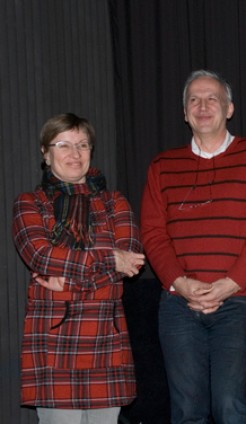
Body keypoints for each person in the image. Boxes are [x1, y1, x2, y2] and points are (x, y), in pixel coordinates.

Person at [140, 69, 246, 423]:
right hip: (177, 304)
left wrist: (229, 284)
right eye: (194, 100)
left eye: (212, 99)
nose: (203, 106)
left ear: (229, 108)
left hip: (236, 299)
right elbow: (153, 233)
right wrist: (181, 283)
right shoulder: (162, 166)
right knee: (187, 411)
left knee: (229, 405)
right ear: (184, 112)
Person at [11, 113, 146, 423]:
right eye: (64, 145)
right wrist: (110, 258)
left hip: (106, 339)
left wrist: (67, 283)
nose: (75, 154)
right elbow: (41, 257)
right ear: (45, 154)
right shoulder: (29, 203)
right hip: (55, 342)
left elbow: (131, 262)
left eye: (82, 145)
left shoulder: (114, 202)